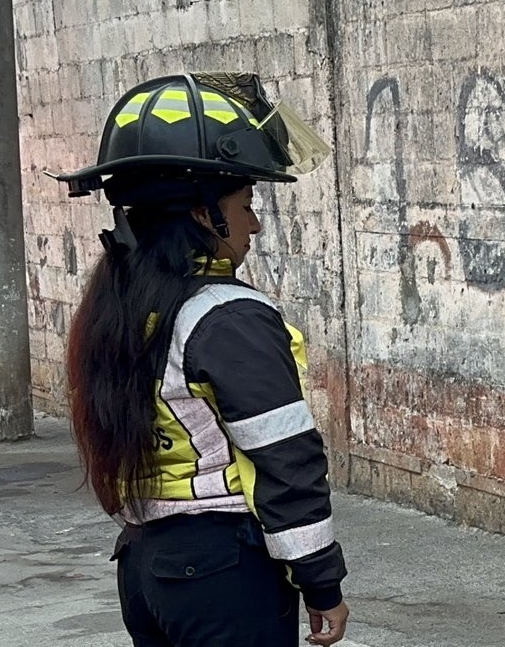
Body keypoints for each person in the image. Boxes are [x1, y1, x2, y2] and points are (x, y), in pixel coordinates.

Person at [52, 72, 349, 646]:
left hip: (145, 568)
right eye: (246, 203)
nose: (254, 223)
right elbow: (287, 458)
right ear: (201, 213)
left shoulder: (119, 308)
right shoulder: (228, 317)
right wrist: (322, 581)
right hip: (222, 573)